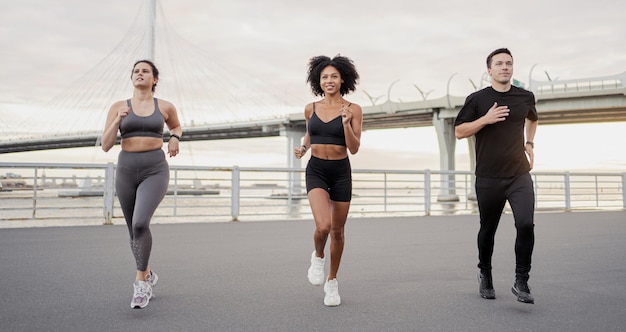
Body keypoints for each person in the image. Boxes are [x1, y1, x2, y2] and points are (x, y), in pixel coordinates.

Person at [454, 48, 538, 304]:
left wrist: (530, 143)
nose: (505, 67)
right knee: (488, 229)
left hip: (518, 174)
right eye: (499, 64)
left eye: (509, 63)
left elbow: (532, 119)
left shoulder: (525, 97)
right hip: (489, 177)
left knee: (525, 224)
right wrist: (486, 119)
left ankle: (521, 280)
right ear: (489, 70)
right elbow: (459, 131)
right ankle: (485, 274)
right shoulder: (477, 99)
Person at [101, 59, 182, 309]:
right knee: (133, 231)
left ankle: (140, 284)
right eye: (136, 71)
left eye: (145, 71)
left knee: (139, 223)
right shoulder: (118, 106)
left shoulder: (166, 106)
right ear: (132, 77)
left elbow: (176, 126)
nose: (140, 74)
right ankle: (147, 272)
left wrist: (174, 138)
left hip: (155, 168)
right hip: (126, 168)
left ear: (154, 79)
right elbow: (105, 145)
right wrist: (117, 120)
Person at [294, 55, 363, 307]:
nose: (329, 80)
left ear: (343, 78)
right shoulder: (310, 108)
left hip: (341, 172)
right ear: (318, 81)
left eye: (334, 76)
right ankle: (318, 256)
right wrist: (303, 148)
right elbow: (310, 136)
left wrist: (345, 124)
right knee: (323, 226)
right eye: (324, 77)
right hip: (317, 170)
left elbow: (354, 148)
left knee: (337, 231)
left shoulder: (353, 109)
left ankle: (332, 281)